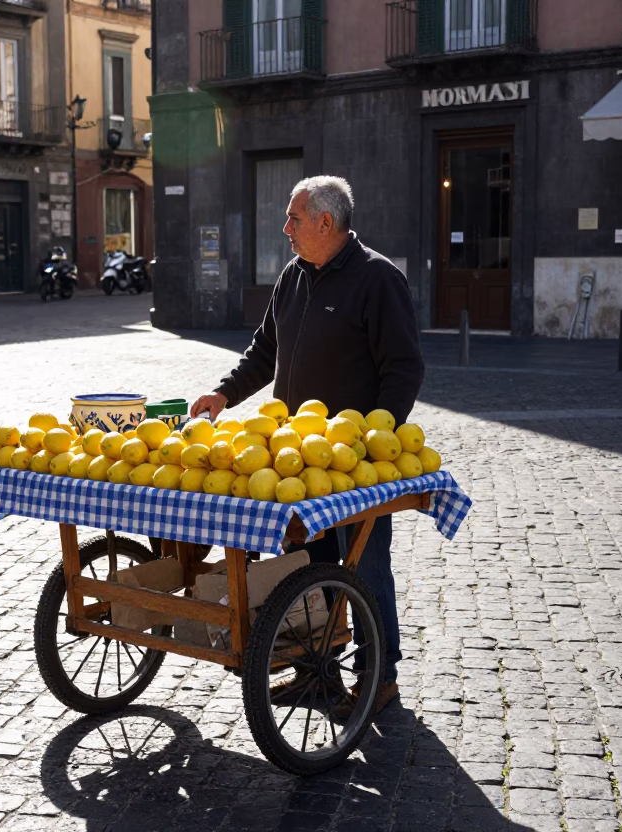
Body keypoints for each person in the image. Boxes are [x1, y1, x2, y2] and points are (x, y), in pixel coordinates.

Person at [190, 175, 425, 714]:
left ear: (326, 222)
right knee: (304, 563)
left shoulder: (377, 278)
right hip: (293, 460)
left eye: (294, 219)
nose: (285, 229)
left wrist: (375, 441)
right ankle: (315, 672)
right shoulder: (293, 276)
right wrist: (224, 392)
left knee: (363, 566)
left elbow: (403, 370)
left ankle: (378, 674)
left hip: (352, 463)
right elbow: (264, 351)